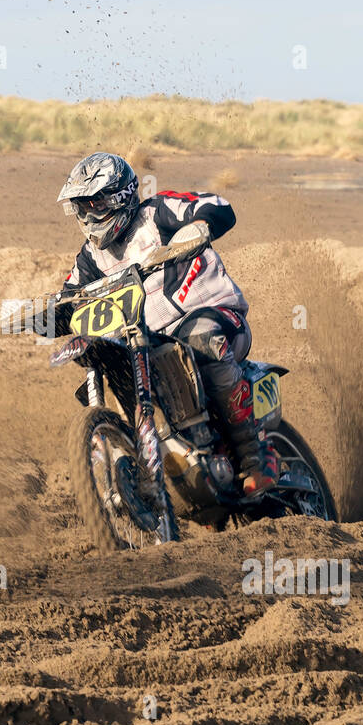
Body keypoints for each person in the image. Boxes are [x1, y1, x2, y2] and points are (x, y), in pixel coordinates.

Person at [57, 151, 278, 498]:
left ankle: (255, 456)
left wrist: (197, 228)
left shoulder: (156, 213)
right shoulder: (90, 257)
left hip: (213, 315)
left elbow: (217, 204)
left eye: (93, 204)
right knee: (113, 366)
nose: (86, 215)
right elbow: (68, 296)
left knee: (202, 338)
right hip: (147, 341)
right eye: (80, 207)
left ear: (120, 197)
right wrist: (42, 315)